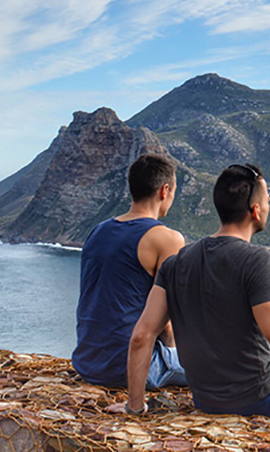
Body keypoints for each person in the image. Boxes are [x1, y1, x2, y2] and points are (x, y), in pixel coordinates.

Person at [120, 163, 270, 421]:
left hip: (205, 397)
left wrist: (134, 407)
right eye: (268, 202)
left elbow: (142, 336)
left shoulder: (176, 263)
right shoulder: (256, 261)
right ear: (255, 211)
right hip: (261, 396)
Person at [72, 153, 187, 389]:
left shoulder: (98, 230)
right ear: (165, 191)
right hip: (135, 368)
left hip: (87, 361)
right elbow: (165, 319)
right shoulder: (167, 239)